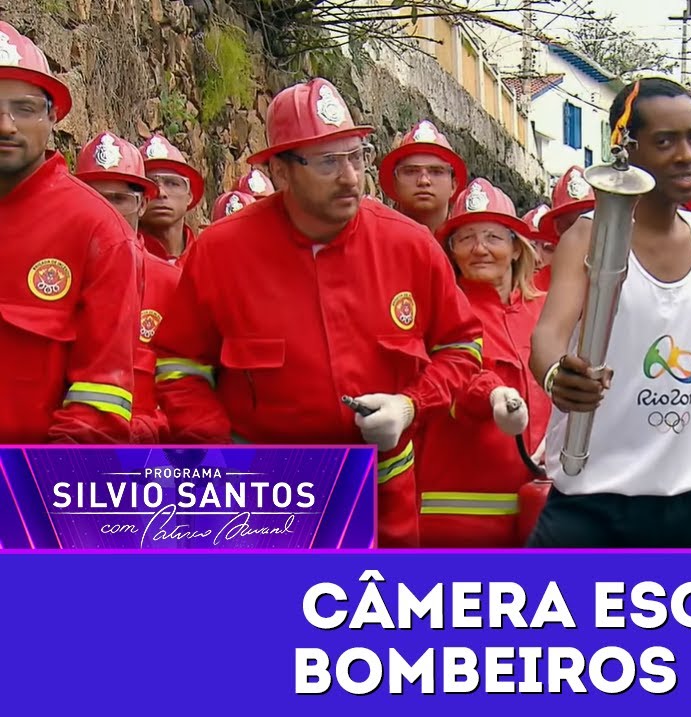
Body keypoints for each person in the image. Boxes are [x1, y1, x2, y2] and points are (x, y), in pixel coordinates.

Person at [151, 78, 483, 547]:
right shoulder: (222, 252)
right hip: (258, 500)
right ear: (281, 172)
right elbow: (179, 364)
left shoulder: (410, 246)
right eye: (329, 161)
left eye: (356, 156)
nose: (350, 176)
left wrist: (411, 405)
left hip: (379, 496)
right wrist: (213, 449)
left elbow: (462, 345)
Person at [527, 76, 691, 548]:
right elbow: (546, 338)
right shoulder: (588, 238)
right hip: (592, 509)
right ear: (625, 148)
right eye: (665, 141)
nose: (687, 154)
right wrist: (558, 376)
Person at [0, 21, 138, 443]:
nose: (5, 125)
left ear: (52, 117)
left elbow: (101, 401)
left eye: (23, 109)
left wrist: (44, 489)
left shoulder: (97, 229)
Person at [419, 179, 551, 547]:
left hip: (543, 514)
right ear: (452, 251)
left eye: (493, 237)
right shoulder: (441, 311)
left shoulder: (547, 311)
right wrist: (494, 396)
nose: (479, 249)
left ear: (514, 247)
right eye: (466, 238)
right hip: (461, 520)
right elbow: (455, 377)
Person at [73, 131, 182, 444]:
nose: (108, 211)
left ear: (143, 203)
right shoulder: (63, 280)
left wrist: (150, 428)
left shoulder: (172, 284)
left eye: (119, 199)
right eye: (97, 198)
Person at [378, 119, 466, 237]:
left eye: (436, 171)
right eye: (411, 171)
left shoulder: (467, 247)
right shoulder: (377, 239)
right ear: (395, 182)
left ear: (453, 185)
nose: (424, 181)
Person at [138, 133, 204, 263]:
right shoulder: (123, 260)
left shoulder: (208, 258)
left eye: (172, 183)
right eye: (150, 184)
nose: (161, 192)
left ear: (189, 196)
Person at [534, 167, 596, 291]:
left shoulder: (625, 278)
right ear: (557, 228)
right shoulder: (534, 289)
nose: (582, 234)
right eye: (571, 226)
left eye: (589, 222)